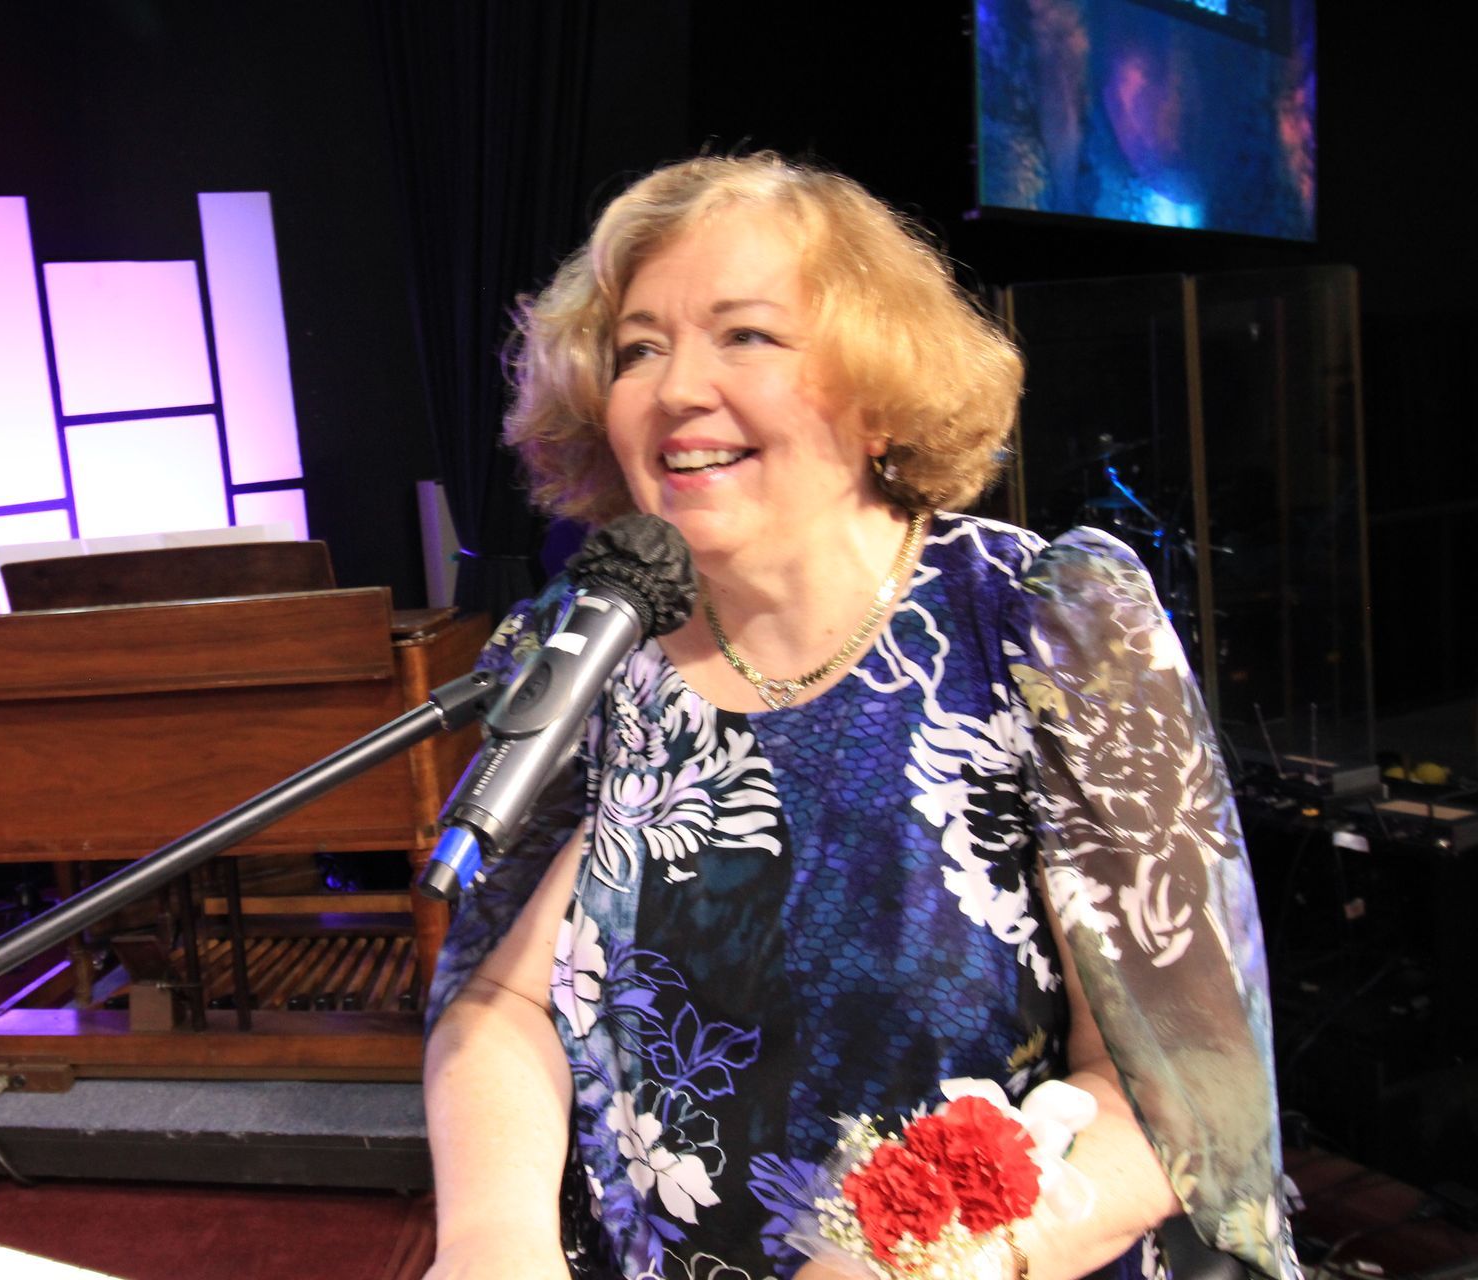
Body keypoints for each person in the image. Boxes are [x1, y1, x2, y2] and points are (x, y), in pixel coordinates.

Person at [421, 153, 1301, 1280]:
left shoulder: (1044, 623)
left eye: (746, 335)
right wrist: (495, 1237)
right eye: (639, 348)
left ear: (878, 389)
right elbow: (498, 994)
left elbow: (1182, 1091)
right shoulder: (586, 644)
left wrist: (926, 1258)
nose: (677, 388)